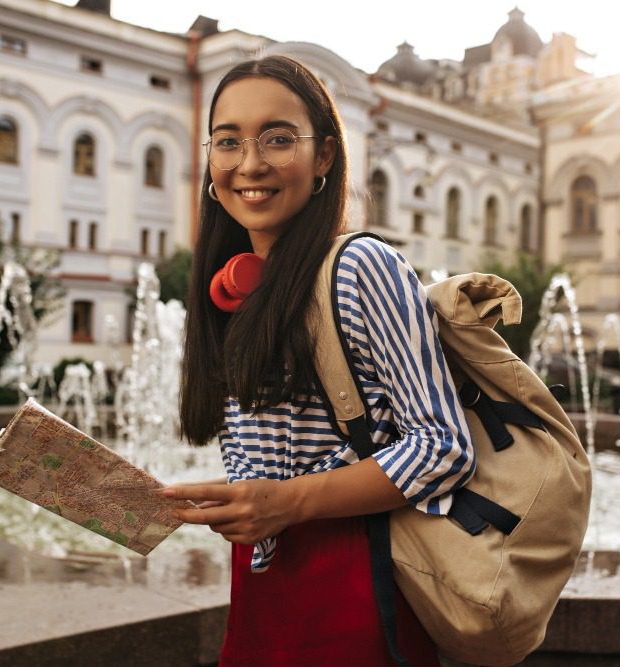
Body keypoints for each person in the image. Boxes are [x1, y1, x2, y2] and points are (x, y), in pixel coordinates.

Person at [161, 55, 475, 667]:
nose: (249, 163)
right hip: (262, 587)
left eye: (278, 138)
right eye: (228, 142)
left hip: (354, 588)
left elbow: (444, 447)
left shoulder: (362, 267)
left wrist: (284, 501)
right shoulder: (236, 286)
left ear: (325, 155)